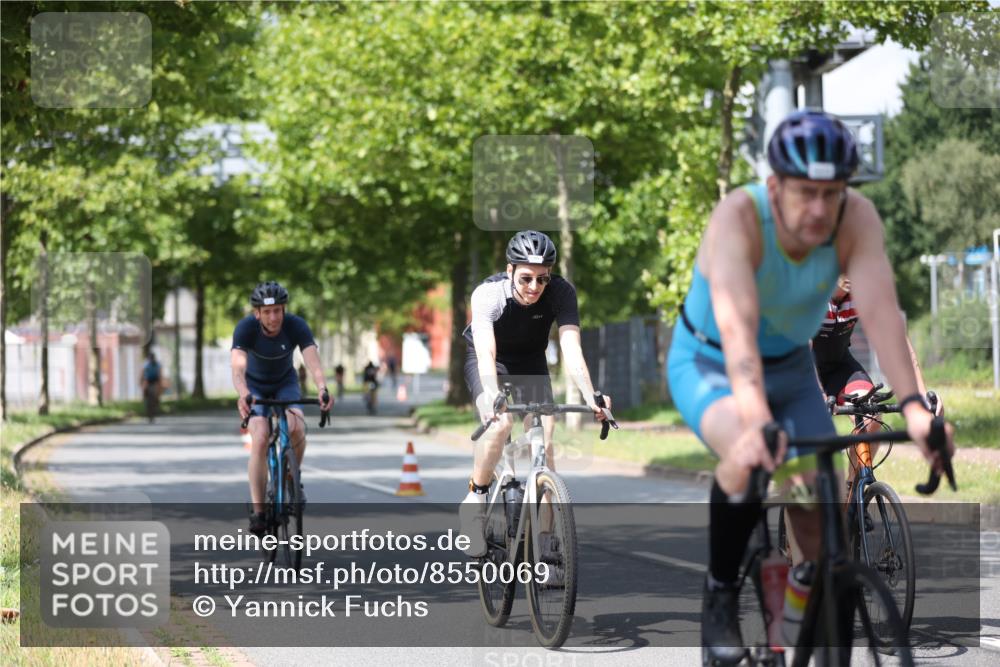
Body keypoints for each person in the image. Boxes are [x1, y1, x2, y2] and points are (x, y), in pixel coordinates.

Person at [666, 110, 955, 663]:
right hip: (712, 362)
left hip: (793, 369)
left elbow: (882, 315)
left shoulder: (857, 219)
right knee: (747, 456)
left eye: (833, 192)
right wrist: (754, 419)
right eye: (805, 192)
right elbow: (737, 330)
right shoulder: (739, 219)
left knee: (819, 522)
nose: (820, 209)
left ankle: (797, 613)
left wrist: (917, 410)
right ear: (774, 185)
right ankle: (721, 594)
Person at [459, 230, 611, 558]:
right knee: (499, 425)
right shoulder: (488, 295)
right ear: (510, 270)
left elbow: (571, 349)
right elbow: (486, 352)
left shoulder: (562, 293)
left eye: (543, 280)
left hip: (530, 361)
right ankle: (475, 497)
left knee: (546, 444)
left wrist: (591, 397)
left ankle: (545, 544)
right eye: (526, 278)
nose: (534, 288)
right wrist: (493, 397)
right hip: (490, 361)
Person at [812, 274, 944, 509]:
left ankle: (851, 494)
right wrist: (819, 395)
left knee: (872, 418)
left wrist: (921, 395)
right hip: (802, 369)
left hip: (840, 366)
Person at [231, 281, 333, 536]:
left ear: (284, 309)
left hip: (285, 383)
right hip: (254, 387)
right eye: (267, 312)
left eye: (278, 310)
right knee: (262, 436)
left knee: (297, 427)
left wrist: (322, 388)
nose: (274, 317)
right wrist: (243, 394)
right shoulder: (245, 328)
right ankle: (259, 512)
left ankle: (291, 479)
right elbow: (237, 368)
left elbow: (312, 360)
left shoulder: (296, 325)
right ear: (258, 313)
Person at [140, 352, 162, 423]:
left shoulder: (157, 364)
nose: (151, 360)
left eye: (151, 358)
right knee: (145, 390)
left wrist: (160, 383)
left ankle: (157, 400)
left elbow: (159, 374)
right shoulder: (146, 364)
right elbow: (143, 373)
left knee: (157, 392)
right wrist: (141, 381)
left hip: (155, 381)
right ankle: (144, 399)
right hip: (148, 381)